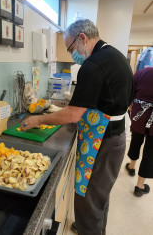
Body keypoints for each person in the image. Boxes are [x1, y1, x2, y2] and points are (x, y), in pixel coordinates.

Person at [21, 19, 133, 235]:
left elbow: (73, 114)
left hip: (103, 142)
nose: (72, 54)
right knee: (98, 196)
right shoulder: (115, 56)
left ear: (82, 37)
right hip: (116, 137)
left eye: (70, 48)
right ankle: (89, 225)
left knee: (88, 197)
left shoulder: (93, 64)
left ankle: (88, 227)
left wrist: (38, 120)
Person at [126, 66, 153, 197]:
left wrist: (130, 107)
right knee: (150, 151)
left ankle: (131, 166)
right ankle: (140, 185)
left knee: (136, 139)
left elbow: (130, 91)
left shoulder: (143, 72)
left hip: (139, 114)